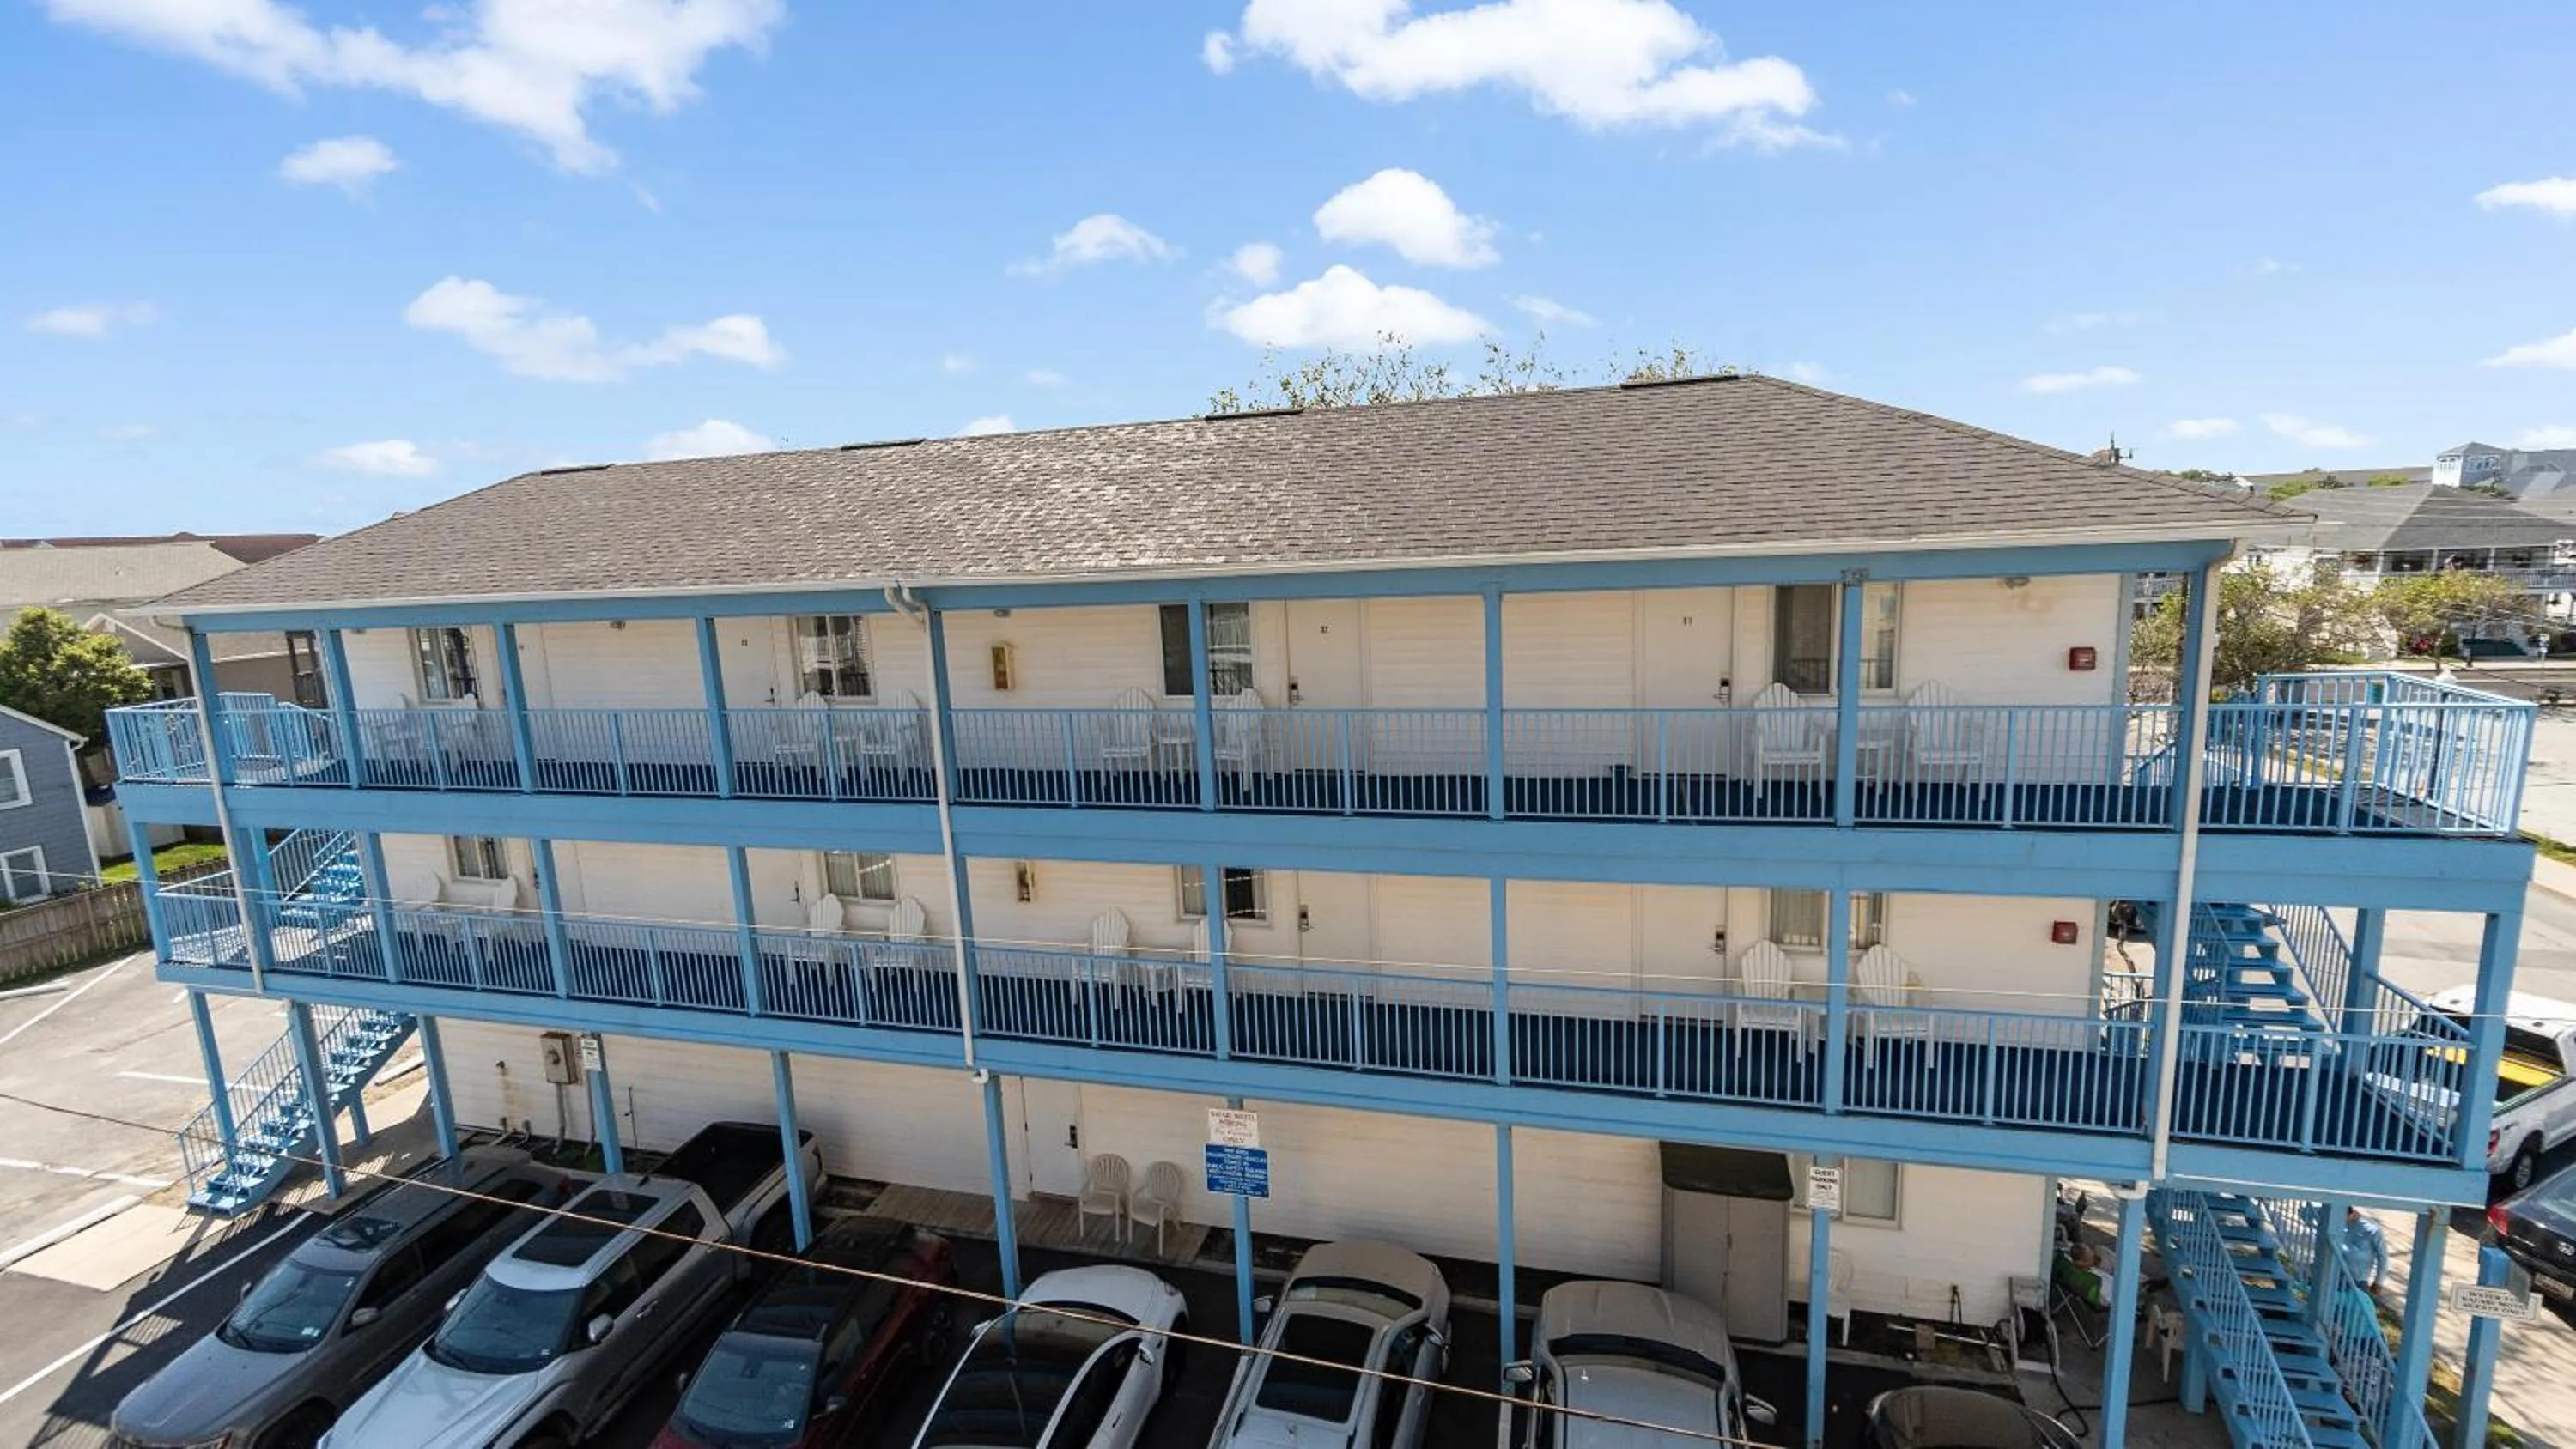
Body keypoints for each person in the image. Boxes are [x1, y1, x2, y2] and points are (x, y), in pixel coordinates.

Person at [2340, 1207, 2387, 1294]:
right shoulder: (2339, 1225)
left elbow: (2382, 1257)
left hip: (2358, 1280)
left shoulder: (2373, 1230)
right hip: (2337, 1274)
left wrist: (2379, 1282)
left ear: (2352, 1214)